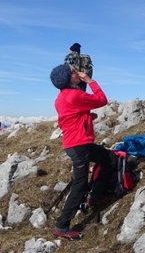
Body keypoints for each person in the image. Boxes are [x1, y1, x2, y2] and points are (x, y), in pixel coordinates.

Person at [49, 63, 114, 239]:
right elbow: (102, 100)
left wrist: (86, 116)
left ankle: (96, 195)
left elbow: (68, 116)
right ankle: (62, 226)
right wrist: (90, 81)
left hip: (76, 144)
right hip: (79, 146)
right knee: (80, 185)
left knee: (107, 158)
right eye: (73, 72)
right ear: (68, 78)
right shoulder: (75, 95)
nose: (77, 73)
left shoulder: (61, 97)